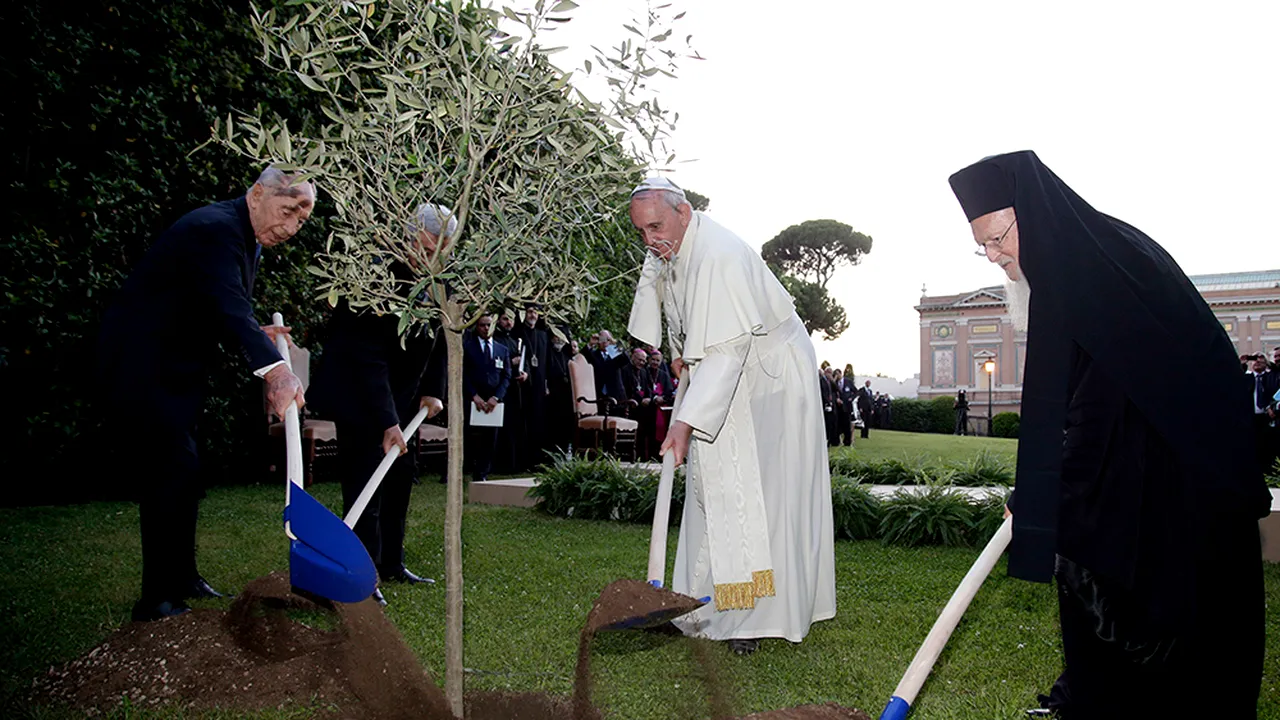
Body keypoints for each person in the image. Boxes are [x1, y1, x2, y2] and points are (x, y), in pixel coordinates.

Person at [948, 150, 1270, 717]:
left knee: (1145, 623)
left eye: (999, 238)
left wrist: (1043, 497)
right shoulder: (1092, 254)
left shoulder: (1093, 274)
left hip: (1176, 483)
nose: (995, 257)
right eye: (984, 247)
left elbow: (1098, 417)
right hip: (1149, 463)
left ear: (1032, 214)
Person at [627, 176, 836, 656]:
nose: (650, 240)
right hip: (728, 372)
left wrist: (684, 423)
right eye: (641, 231)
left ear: (683, 212)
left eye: (656, 226)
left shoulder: (718, 254)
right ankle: (703, 604)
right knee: (713, 487)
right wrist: (681, 353)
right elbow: (685, 317)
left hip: (771, 381)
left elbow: (727, 348)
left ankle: (756, 617)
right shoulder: (673, 245)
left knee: (763, 495)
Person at [96, 165, 312, 622]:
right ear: (257, 194)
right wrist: (275, 372)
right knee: (170, 472)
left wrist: (260, 330)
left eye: (302, 219)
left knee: (187, 473)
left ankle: (182, 575)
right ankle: (156, 600)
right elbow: (227, 305)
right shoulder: (215, 229)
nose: (292, 227)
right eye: (288, 210)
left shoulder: (242, 233)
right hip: (146, 365)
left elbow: (215, 301)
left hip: (176, 368)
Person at [307, 202, 453, 606]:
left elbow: (441, 335)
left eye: (442, 250)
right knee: (365, 483)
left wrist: (432, 388)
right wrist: (386, 420)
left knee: (400, 475)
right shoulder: (374, 276)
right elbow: (366, 356)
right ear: (407, 237)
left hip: (401, 394)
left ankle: (391, 562)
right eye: (426, 249)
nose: (434, 258)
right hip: (359, 393)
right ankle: (363, 576)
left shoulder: (438, 278)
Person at [462, 314, 511, 483]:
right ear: (477, 327)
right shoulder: (467, 347)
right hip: (473, 398)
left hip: (493, 402)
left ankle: (482, 473)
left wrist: (496, 397)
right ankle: (460, 470)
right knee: (467, 436)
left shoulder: (502, 349)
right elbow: (463, 374)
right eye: (482, 325)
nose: (485, 328)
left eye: (488, 325)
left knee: (490, 439)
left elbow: (506, 376)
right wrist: (473, 395)